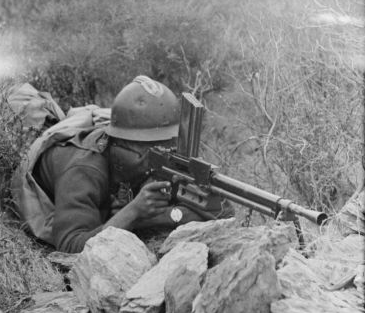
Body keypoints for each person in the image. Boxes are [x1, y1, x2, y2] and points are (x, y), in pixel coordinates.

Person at [18, 75, 226, 253]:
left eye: (168, 145)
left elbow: (222, 212)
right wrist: (134, 212)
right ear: (119, 142)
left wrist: (162, 216)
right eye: (148, 149)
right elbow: (70, 245)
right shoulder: (84, 169)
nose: (164, 155)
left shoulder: (153, 159)